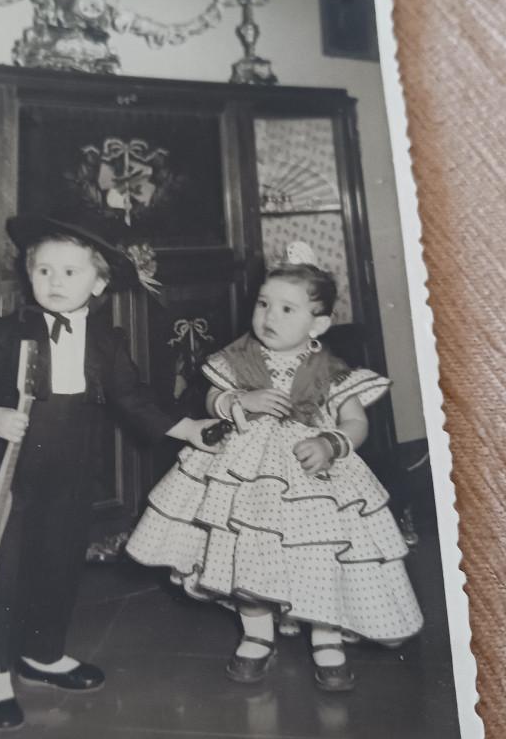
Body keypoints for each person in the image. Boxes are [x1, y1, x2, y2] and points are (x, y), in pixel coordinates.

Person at [0, 214, 217, 729]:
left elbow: (134, 399)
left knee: (59, 560)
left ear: (97, 284)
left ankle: (42, 652)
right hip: (9, 469)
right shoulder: (1, 334)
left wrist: (184, 429)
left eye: (70, 273)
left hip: (71, 470)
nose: (55, 282)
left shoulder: (105, 341)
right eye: (44, 270)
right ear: (29, 275)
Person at [126, 241, 423, 692]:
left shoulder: (332, 369)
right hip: (245, 471)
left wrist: (332, 442)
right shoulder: (239, 357)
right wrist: (234, 401)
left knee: (319, 554)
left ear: (318, 322)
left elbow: (354, 420)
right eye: (264, 304)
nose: (269, 316)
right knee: (246, 547)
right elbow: (210, 397)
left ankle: (326, 637)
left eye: (287, 309)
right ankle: (257, 633)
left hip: (314, 477)